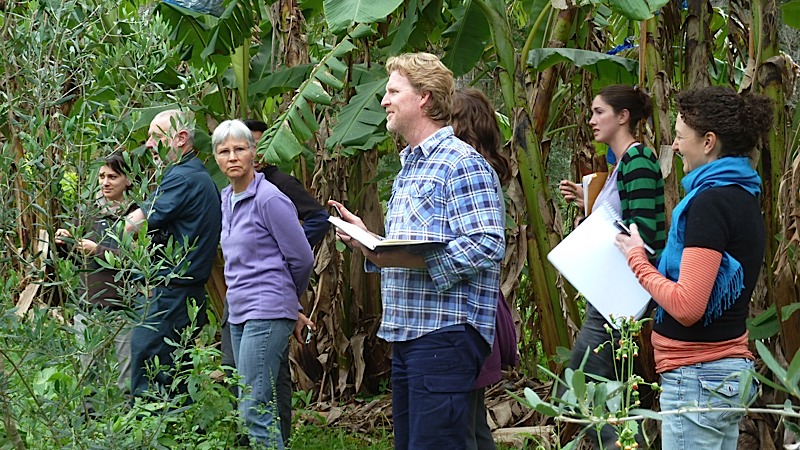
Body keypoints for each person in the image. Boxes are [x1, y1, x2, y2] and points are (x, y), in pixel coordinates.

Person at [329, 52, 505, 450]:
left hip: (445, 335)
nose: (384, 100)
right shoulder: (411, 166)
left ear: (424, 97)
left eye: (393, 91)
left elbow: (488, 242)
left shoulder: (461, 162)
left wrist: (424, 259)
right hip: (408, 333)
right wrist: (370, 243)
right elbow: (411, 250)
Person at [615, 86, 772, 449]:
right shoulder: (744, 194)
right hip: (719, 375)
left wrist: (636, 259)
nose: (675, 146)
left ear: (708, 142)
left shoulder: (710, 203)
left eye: (681, 137)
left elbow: (687, 306)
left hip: (699, 380)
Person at [557, 85, 666, 448]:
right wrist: (588, 199)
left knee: (580, 381)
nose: (592, 120)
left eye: (599, 112)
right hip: (612, 290)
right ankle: (626, 438)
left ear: (623, 117)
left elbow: (645, 232)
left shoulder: (636, 161)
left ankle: (619, 444)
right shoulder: (626, 163)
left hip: (618, 293)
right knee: (610, 379)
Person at [218, 118, 323, 445]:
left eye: (240, 149)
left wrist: (288, 303)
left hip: (266, 309)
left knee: (254, 407)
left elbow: (302, 258)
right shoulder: (226, 198)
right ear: (217, 158)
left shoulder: (270, 198)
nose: (232, 157)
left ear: (253, 153)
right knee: (250, 403)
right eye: (224, 151)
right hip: (238, 310)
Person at [124, 109, 222, 398]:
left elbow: (132, 225)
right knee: (175, 372)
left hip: (171, 293)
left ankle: (150, 436)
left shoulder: (182, 177)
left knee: (148, 368)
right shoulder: (198, 175)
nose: (150, 145)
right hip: (187, 294)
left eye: (156, 137)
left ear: (180, 139)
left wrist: (119, 243)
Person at [451, 87, 519, 450]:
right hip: (482, 305)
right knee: (471, 419)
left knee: (463, 421)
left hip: (469, 308)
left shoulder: (473, 172)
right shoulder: (486, 168)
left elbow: (484, 245)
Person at [55, 152, 138, 393]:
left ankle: (128, 425)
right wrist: (63, 244)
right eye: (102, 176)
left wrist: (98, 250)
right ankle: (89, 424)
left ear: (128, 179)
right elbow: (73, 257)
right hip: (88, 307)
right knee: (87, 374)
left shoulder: (137, 214)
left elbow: (139, 260)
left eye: (113, 176)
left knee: (127, 378)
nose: (105, 182)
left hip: (123, 308)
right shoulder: (88, 213)